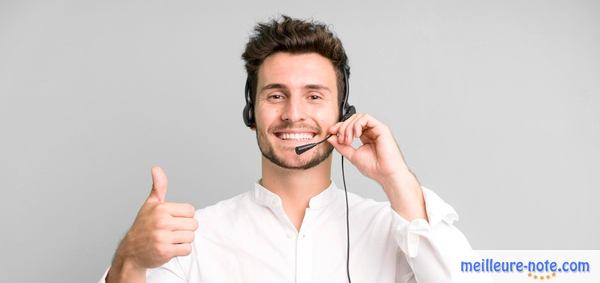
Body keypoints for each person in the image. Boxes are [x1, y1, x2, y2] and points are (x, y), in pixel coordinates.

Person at [101, 15, 487, 283]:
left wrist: (397, 179)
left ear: (343, 110)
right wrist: (130, 260)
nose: (294, 114)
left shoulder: (393, 230)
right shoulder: (193, 239)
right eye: (276, 95)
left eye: (314, 96)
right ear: (251, 110)